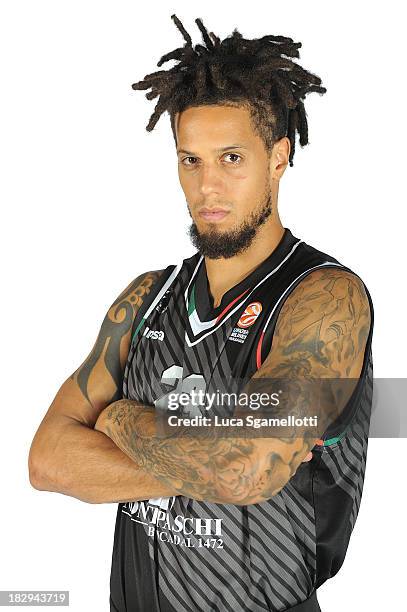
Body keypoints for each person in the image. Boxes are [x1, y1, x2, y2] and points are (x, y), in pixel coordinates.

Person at [28, 14, 374, 612]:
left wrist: (118, 422)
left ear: (279, 157)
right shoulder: (145, 299)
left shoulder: (324, 298)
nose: (207, 187)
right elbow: (47, 461)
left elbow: (247, 472)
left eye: (232, 158)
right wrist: (213, 457)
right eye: (191, 160)